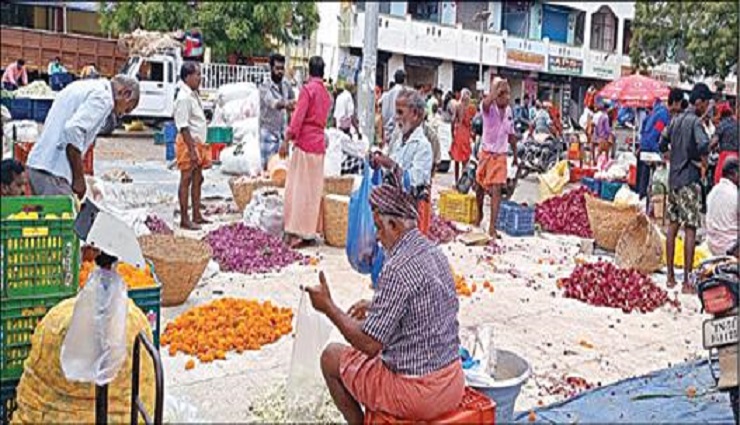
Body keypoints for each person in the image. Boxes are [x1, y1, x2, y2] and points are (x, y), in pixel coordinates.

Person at [306, 178, 463, 424]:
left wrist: (329, 308)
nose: (378, 237)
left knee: (331, 357)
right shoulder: (435, 253)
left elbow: (369, 344)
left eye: (379, 228)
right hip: (453, 382)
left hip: (418, 394)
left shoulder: (397, 267)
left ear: (395, 225)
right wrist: (375, 305)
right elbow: (427, 303)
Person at [26, 75, 139, 198]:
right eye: (127, 109)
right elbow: (73, 130)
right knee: (65, 209)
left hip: (41, 165)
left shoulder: (87, 86)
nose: (120, 114)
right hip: (53, 170)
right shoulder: (103, 98)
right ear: (126, 94)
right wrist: (78, 178)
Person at [659, 82, 712, 292]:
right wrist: (701, 161)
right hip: (689, 180)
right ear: (699, 102)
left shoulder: (675, 120)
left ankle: (670, 277)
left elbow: (662, 143)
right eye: (705, 104)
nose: (705, 109)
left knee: (672, 227)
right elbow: (703, 144)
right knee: (690, 229)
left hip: (673, 179)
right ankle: (688, 281)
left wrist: (672, 156)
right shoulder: (695, 122)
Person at [279, 56, 332, 249]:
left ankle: (296, 232)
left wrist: (287, 139)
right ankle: (310, 231)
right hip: (318, 144)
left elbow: (298, 118)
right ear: (323, 72)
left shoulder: (307, 90)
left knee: (298, 189)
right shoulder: (326, 94)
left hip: (304, 144)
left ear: (309, 71)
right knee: (313, 191)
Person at [371, 89, 434, 235]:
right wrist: (378, 163)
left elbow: (413, 181)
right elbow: (390, 170)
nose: (396, 118)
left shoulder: (423, 146)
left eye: (400, 113)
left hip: (412, 216)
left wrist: (391, 165)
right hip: (395, 212)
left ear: (415, 114)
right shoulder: (398, 140)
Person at [475, 78, 518, 238]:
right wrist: (495, 91)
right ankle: (479, 213)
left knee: (497, 189)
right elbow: (485, 103)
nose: (507, 97)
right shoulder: (488, 108)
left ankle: (492, 227)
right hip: (486, 153)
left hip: (500, 155)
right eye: (503, 94)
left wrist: (515, 155)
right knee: (479, 186)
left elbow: (511, 134)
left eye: (508, 94)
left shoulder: (509, 111)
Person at [174, 62, 211, 230]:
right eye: (197, 75)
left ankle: (197, 214)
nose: (200, 78)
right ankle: (184, 218)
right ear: (188, 77)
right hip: (188, 143)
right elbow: (183, 126)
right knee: (186, 179)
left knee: (198, 179)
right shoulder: (183, 97)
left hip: (198, 143)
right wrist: (191, 149)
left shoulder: (193, 94)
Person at [260, 53, 296, 170]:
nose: (280, 72)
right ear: (271, 68)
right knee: (268, 169)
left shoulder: (286, 84)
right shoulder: (265, 86)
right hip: (268, 133)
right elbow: (273, 103)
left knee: (283, 169)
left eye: (282, 68)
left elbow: (293, 100)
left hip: (283, 134)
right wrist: (287, 104)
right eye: (277, 68)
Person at [636, 96, 671, 198]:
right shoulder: (663, 116)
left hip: (644, 148)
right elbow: (655, 134)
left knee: (641, 186)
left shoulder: (655, 112)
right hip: (649, 152)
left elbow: (644, 129)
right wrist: (660, 151)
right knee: (647, 185)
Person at [706, 159, 738, 256]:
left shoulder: (713, 192)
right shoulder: (735, 194)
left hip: (712, 246)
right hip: (730, 247)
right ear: (734, 174)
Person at [711, 102, 738, 185]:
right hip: (737, 156)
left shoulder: (722, 125)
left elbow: (713, 142)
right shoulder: (737, 123)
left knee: (721, 182)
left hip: (725, 157)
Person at [450, 88, 474, 183]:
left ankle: (456, 180)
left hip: (458, 133)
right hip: (466, 133)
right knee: (465, 159)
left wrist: (452, 133)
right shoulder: (470, 108)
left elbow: (453, 120)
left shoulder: (457, 106)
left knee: (457, 159)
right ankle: (462, 180)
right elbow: (471, 123)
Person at [380, 70, 406, 145]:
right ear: (404, 80)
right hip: (399, 130)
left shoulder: (387, 94)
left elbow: (383, 113)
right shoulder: (404, 94)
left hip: (388, 130)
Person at [593, 99, 614, 165]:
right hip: (604, 138)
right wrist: (611, 132)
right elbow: (607, 129)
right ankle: (603, 163)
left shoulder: (600, 117)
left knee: (600, 152)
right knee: (605, 153)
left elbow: (596, 127)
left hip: (599, 137)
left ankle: (597, 162)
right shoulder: (606, 117)